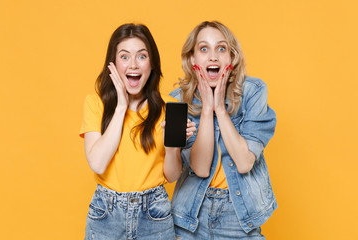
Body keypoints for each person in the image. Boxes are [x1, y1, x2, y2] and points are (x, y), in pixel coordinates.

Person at [79, 23, 195, 240]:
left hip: (154, 214)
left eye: (142, 56)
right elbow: (97, 163)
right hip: (106, 213)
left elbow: (172, 176)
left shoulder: (169, 108)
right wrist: (121, 106)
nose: (133, 64)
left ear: (152, 63)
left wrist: (172, 147)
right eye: (124, 57)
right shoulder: (95, 104)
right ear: (112, 65)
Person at [170, 21, 277, 239]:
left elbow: (244, 161)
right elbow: (200, 168)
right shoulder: (178, 102)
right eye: (203, 49)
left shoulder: (253, 92)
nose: (213, 57)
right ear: (192, 59)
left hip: (239, 215)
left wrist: (220, 108)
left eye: (221, 48)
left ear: (231, 57)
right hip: (192, 215)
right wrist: (207, 109)